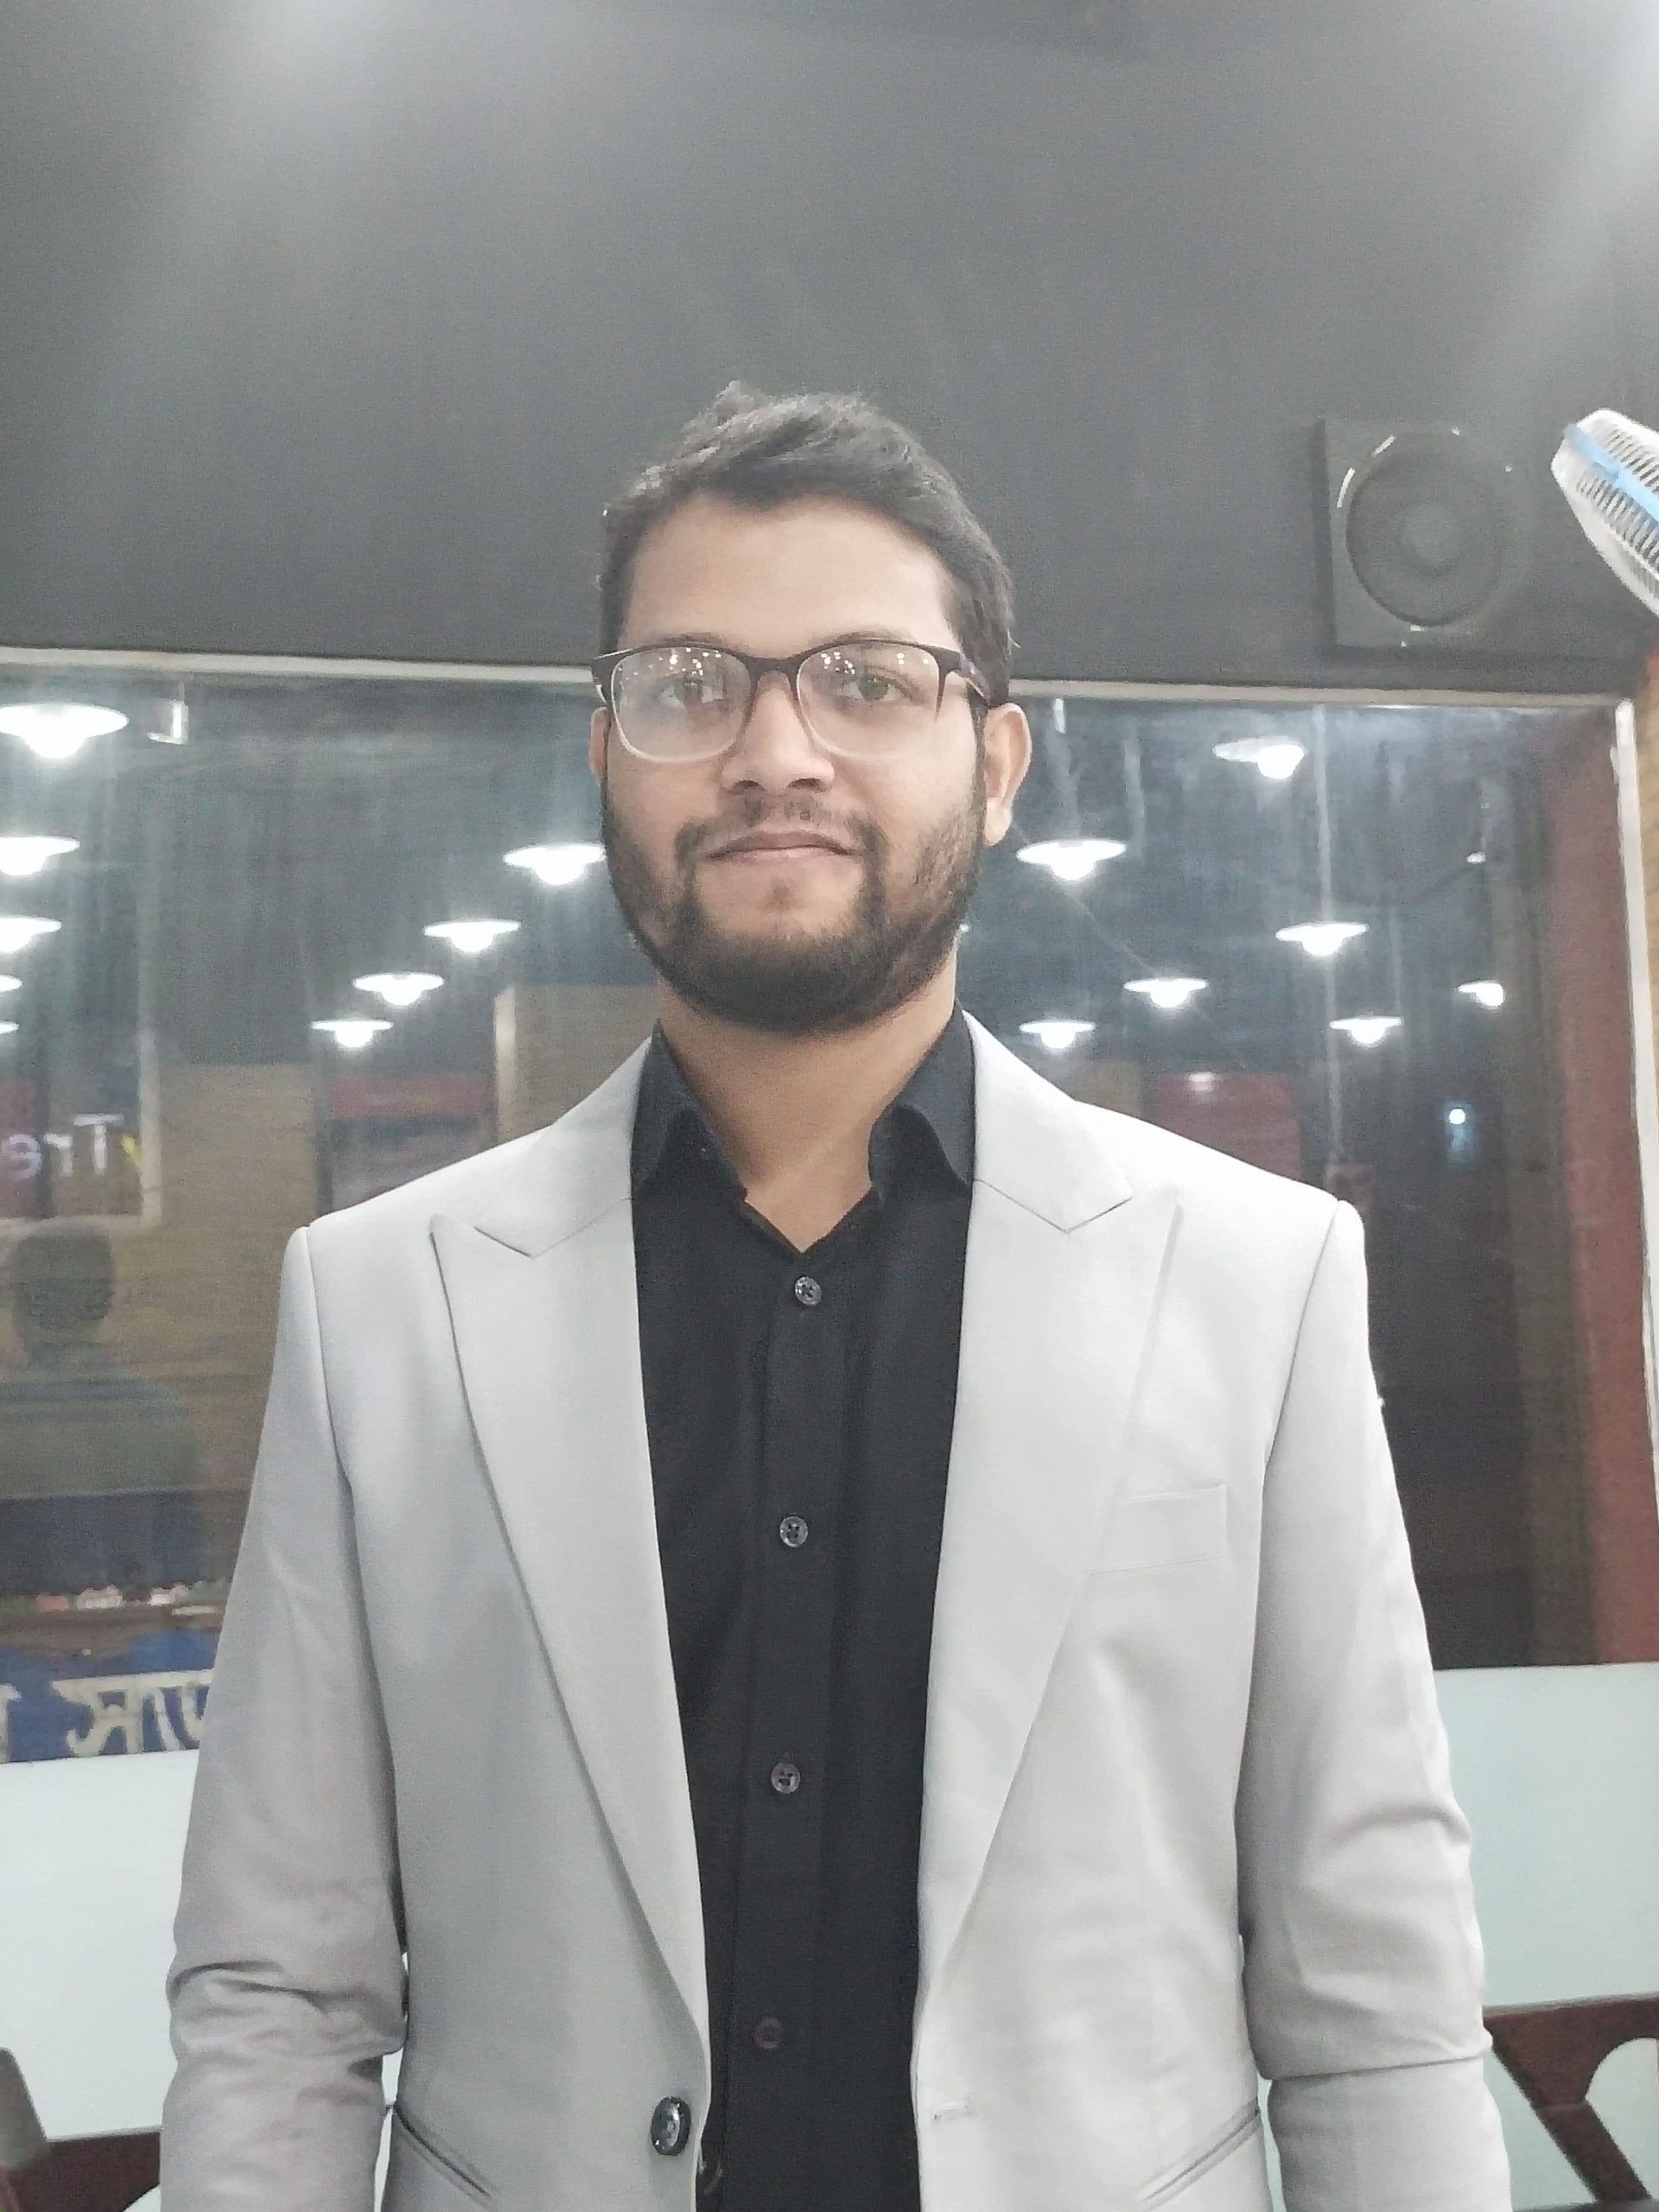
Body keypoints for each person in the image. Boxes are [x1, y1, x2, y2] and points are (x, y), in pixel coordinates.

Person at [162, 388, 1511, 2212]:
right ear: (606, 754)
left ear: (999, 763)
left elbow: (1376, 1999)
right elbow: (280, 1992)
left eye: (869, 681)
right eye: (692, 684)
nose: (774, 750)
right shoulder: (384, 1307)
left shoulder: (1255, 1284)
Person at [0, 1222, 201, 1596]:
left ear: (19, 1308)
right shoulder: (164, 1413)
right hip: (148, 1626)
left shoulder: (11, 1416)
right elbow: (184, 1567)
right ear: (107, 1302)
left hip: (28, 1628)